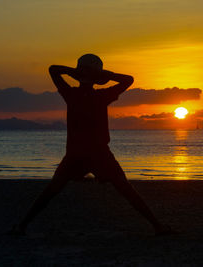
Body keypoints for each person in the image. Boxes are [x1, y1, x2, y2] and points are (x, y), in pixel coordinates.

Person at [10, 54, 172, 236]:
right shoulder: (101, 95)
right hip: (94, 154)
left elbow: (54, 69)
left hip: (81, 154)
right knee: (126, 190)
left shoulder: (72, 94)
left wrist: (79, 72)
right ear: (96, 77)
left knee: (51, 191)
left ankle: (22, 226)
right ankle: (157, 226)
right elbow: (128, 80)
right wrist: (100, 74)